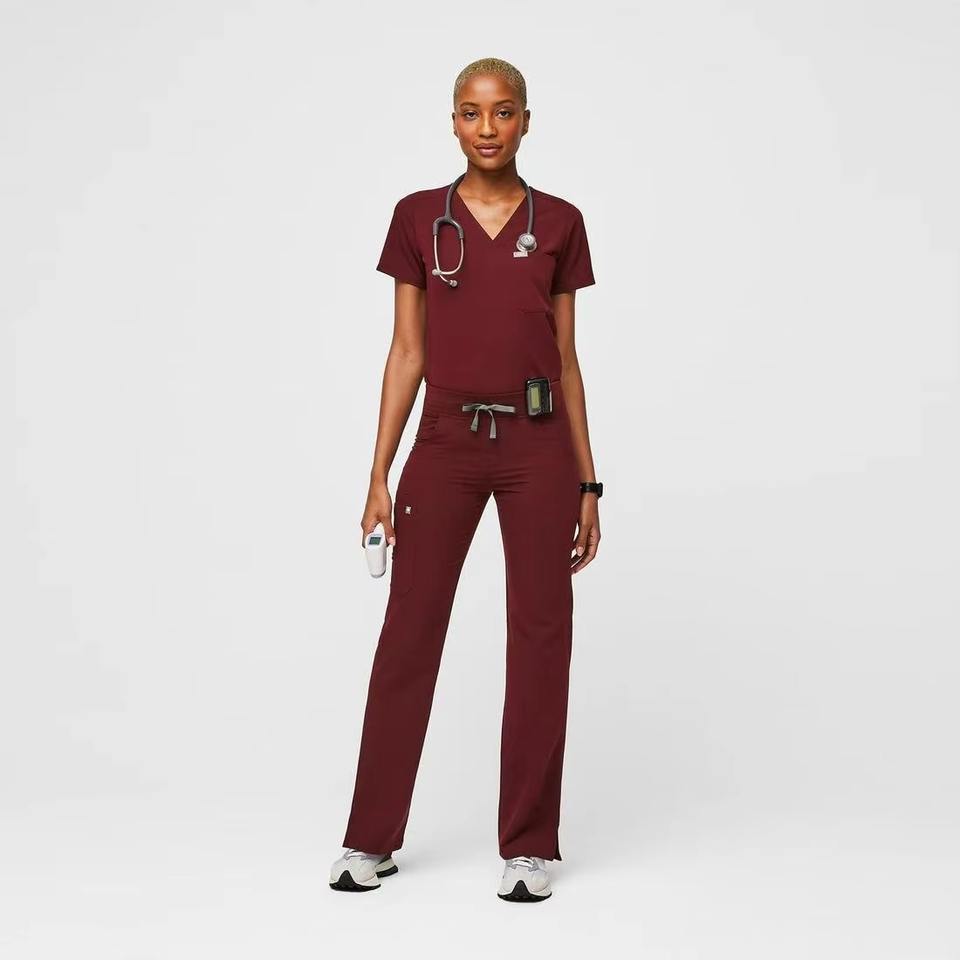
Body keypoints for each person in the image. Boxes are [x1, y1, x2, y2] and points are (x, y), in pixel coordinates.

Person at [330, 57, 603, 903]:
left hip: (537, 447)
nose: (488, 128)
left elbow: (565, 360)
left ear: (527, 121)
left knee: (541, 637)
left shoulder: (560, 223)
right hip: (446, 443)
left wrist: (588, 484)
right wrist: (379, 473)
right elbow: (407, 350)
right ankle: (370, 838)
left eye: (504, 111)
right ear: (452, 121)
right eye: (472, 112)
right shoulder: (419, 218)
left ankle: (529, 847)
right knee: (408, 633)